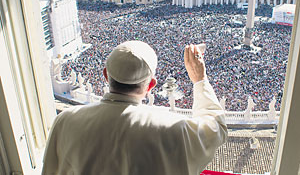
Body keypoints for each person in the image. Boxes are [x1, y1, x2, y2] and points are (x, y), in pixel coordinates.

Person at [42, 40, 227, 175]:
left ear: (106, 75)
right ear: (151, 85)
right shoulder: (176, 128)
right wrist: (199, 79)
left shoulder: (65, 121)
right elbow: (216, 127)